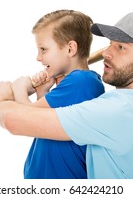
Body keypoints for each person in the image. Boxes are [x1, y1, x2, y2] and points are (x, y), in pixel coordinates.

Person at [0, 12, 133, 179]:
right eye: (110, 44)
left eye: (121, 47)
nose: (106, 53)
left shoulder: (122, 109)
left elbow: (14, 121)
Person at [15, 10, 105, 179]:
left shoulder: (81, 82)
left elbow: (24, 117)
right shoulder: (75, 83)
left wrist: (20, 87)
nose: (38, 57)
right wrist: (43, 90)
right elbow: (44, 123)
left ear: (70, 49)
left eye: (43, 49)